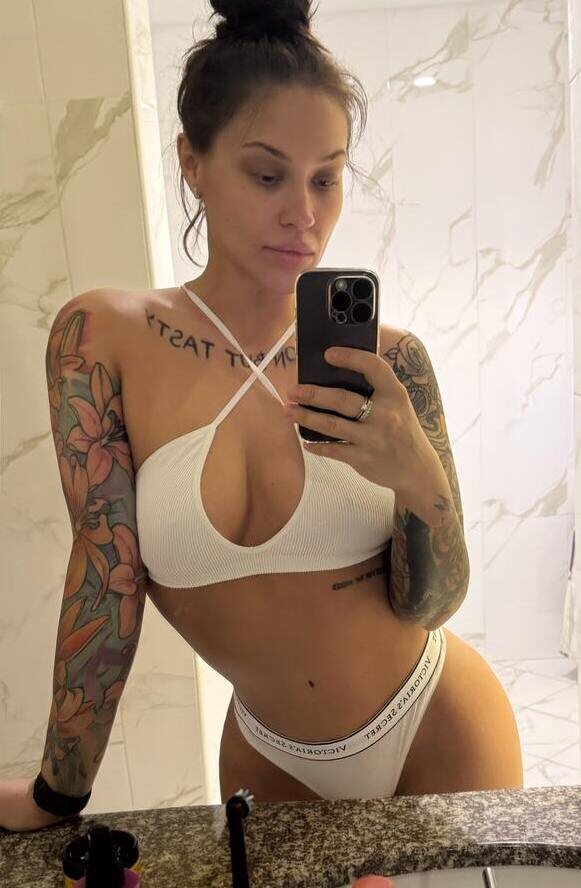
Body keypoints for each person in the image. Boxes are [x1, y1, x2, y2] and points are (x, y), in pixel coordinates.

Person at [0, 0, 523, 835]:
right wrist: (57, 794)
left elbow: (432, 603)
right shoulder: (100, 338)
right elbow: (107, 578)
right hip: (269, 759)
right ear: (193, 162)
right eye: (267, 175)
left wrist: (417, 479)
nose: (303, 215)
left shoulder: (391, 361)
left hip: (437, 724)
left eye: (326, 178)